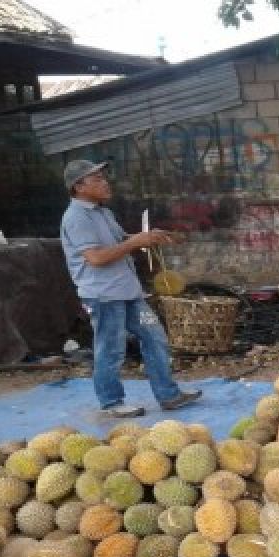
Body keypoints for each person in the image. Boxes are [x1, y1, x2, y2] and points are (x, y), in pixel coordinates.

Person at [59, 160, 202, 418]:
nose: (106, 183)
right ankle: (112, 402)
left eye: (104, 177)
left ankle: (168, 395)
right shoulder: (76, 217)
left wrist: (146, 237)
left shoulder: (103, 213)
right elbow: (96, 258)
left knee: (155, 336)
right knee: (110, 348)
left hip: (127, 291)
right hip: (103, 295)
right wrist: (135, 242)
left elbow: (119, 241)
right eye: (98, 179)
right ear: (78, 186)